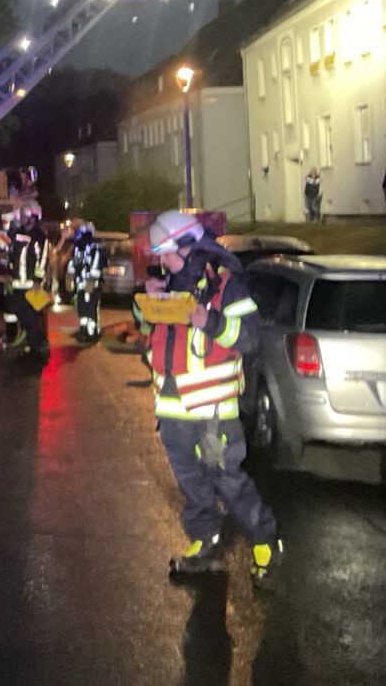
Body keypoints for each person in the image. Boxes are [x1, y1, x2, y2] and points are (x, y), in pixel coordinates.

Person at [144, 209, 282, 584]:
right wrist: (150, 310)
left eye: (167, 253)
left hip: (212, 417)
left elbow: (251, 337)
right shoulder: (170, 287)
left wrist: (210, 322)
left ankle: (265, 541)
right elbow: (158, 346)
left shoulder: (226, 288)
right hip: (173, 415)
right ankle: (206, 541)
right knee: (193, 486)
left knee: (227, 482)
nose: (162, 261)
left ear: (190, 247)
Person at [6, 204, 50, 356]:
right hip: (18, 282)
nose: (22, 219)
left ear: (32, 217)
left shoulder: (39, 236)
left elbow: (43, 259)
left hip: (32, 284)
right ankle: (27, 341)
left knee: (31, 316)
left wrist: (38, 280)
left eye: (25, 217)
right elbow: (13, 254)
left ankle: (34, 345)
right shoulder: (18, 233)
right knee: (20, 313)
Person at [69, 220, 104, 343]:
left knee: (90, 309)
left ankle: (92, 333)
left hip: (91, 285)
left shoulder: (95, 248)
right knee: (82, 308)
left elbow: (96, 267)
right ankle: (83, 330)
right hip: (80, 284)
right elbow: (73, 264)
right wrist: (71, 280)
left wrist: (90, 283)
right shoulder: (79, 248)